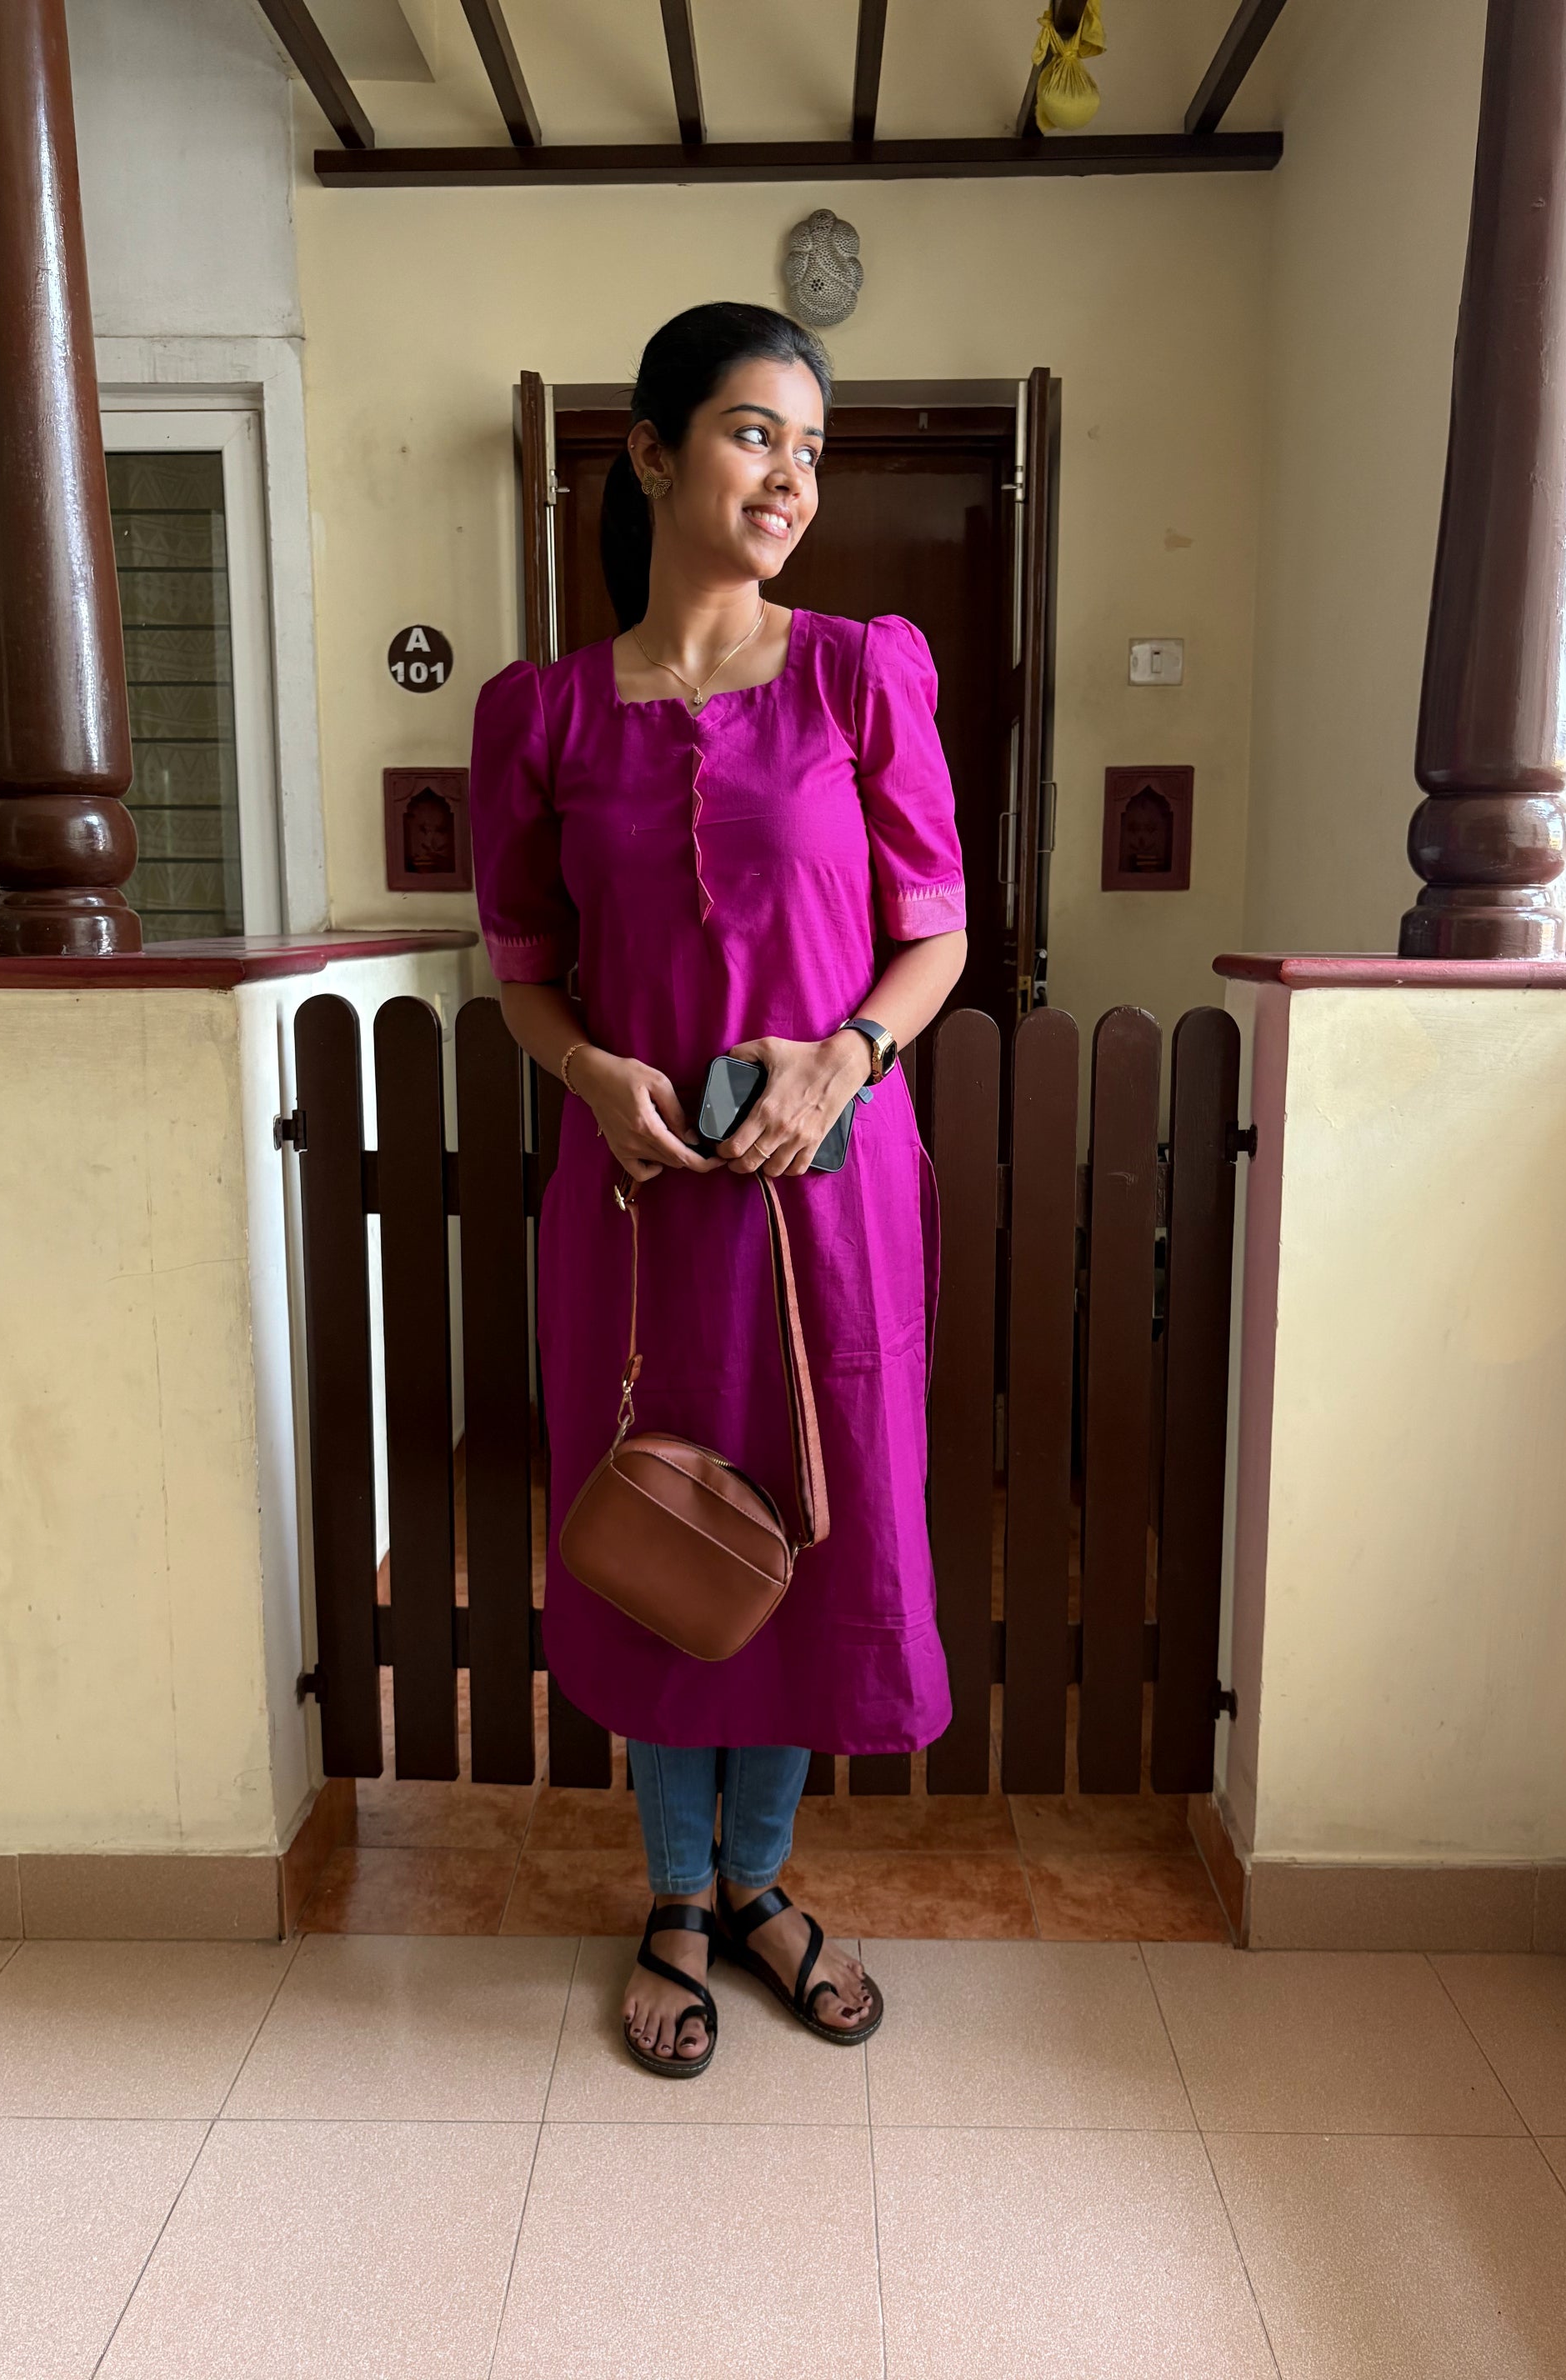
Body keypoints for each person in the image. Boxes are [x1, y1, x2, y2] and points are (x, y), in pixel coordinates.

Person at [469, 302, 967, 2077]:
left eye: (810, 450)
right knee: (654, 1521)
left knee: (812, 1522)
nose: (789, 478)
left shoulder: (858, 675)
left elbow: (934, 933)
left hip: (827, 1196)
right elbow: (524, 969)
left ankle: (757, 1882)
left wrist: (846, 1058)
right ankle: (675, 1895)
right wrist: (590, 1075)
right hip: (636, 1199)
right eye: (757, 434)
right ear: (653, 452)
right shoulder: (540, 714)